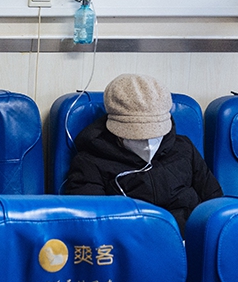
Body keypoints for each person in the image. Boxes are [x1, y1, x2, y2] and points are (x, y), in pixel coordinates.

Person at [63, 73, 223, 233]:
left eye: (155, 134)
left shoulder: (184, 148)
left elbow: (215, 202)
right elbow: (93, 224)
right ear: (116, 130)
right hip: (132, 240)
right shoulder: (90, 161)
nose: (147, 144)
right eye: (137, 136)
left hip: (189, 236)